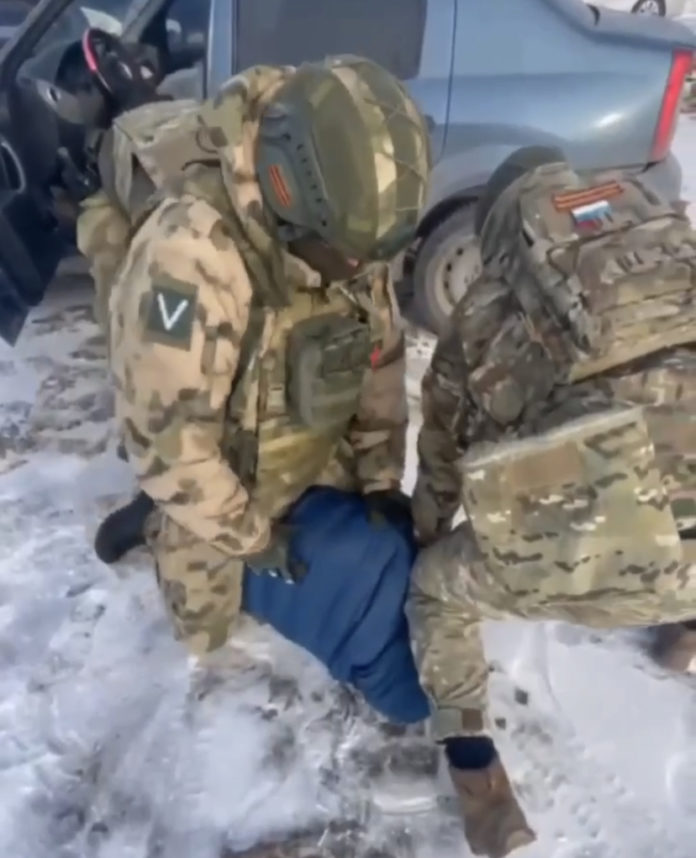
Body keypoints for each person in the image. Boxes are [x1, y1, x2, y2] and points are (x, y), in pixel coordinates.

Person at [76, 55, 431, 658]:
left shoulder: (349, 226)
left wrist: (380, 478)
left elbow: (381, 357)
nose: (363, 271)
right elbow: (169, 446)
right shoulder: (189, 255)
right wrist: (253, 538)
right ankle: (157, 516)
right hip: (195, 440)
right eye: (350, 258)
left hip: (277, 394)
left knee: (355, 525)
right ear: (290, 198)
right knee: (205, 635)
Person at [408, 146, 696, 857]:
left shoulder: (482, 311)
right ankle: (686, 635)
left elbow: (442, 459)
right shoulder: (674, 250)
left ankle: (479, 781)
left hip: (600, 550)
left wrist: (427, 535)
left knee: (437, 591)